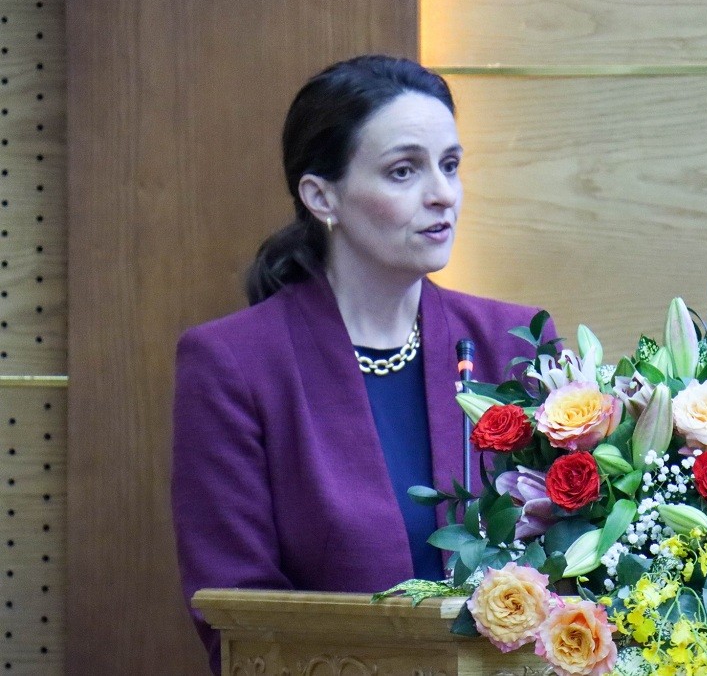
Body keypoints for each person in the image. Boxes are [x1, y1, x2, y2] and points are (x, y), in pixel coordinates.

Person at [170, 55, 555, 674]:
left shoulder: (511, 342)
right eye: (404, 171)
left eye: (450, 166)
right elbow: (239, 616)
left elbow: (569, 566)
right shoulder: (233, 364)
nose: (442, 195)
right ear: (322, 196)